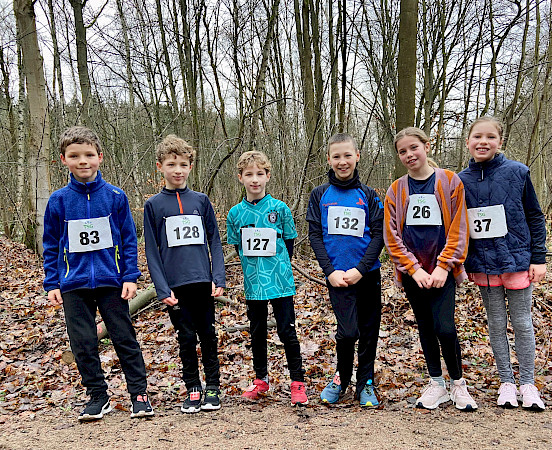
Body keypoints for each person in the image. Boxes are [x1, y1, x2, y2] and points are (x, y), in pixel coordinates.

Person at [43, 126, 153, 421]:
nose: (83, 161)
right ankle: (97, 395)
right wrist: (52, 282)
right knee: (83, 343)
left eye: (89, 155)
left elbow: (129, 239)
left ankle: (139, 394)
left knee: (124, 337)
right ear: (64, 160)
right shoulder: (58, 201)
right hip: (73, 284)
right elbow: (51, 244)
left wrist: (130, 276)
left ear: (100, 157)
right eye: (75, 156)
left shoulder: (115, 196)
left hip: (111, 282)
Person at [384, 127, 477, 411]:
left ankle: (458, 384)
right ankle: (437, 383)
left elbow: (459, 228)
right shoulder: (397, 189)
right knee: (424, 326)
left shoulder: (450, 182)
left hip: (442, 272)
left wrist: (443, 267)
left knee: (445, 327)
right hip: (415, 274)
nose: (409, 155)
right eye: (403, 151)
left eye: (414, 148)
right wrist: (413, 269)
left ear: (426, 146)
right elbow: (392, 236)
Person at [459, 117, 547, 410]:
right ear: (468, 141)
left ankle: (529, 384)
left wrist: (539, 258)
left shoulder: (518, 172)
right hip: (483, 263)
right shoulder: (460, 180)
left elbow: (534, 215)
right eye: (477, 137)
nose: (483, 142)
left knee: (522, 322)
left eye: (490, 137)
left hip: (517, 259)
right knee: (496, 323)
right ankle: (507, 382)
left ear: (500, 142)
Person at [144, 135, 226, 413]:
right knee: (186, 337)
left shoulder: (201, 201)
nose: (177, 170)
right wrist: (161, 288)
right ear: (160, 167)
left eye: (183, 164)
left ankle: (213, 386)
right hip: (175, 285)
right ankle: (192, 386)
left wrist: (219, 277)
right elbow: (151, 250)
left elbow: (215, 240)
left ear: (190, 166)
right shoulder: (153, 205)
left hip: (202, 280)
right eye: (171, 164)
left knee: (208, 334)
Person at [306, 133, 384, 408]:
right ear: (328, 159)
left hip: (368, 275)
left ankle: (366, 383)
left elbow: (378, 235)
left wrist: (362, 269)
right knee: (348, 332)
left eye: (347, 155)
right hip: (338, 278)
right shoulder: (319, 195)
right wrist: (329, 271)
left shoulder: (370, 195)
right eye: (336, 156)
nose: (342, 162)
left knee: (369, 330)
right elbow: (315, 235)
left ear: (357, 156)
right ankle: (342, 377)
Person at [226, 151, 308, 406]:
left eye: (259, 174)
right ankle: (261, 379)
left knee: (287, 331)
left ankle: (297, 382)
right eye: (249, 174)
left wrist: (279, 265)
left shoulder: (279, 208)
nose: (255, 180)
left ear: (268, 176)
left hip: (281, 281)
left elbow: (289, 241)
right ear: (240, 178)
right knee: (257, 332)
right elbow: (238, 246)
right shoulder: (235, 214)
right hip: (254, 283)